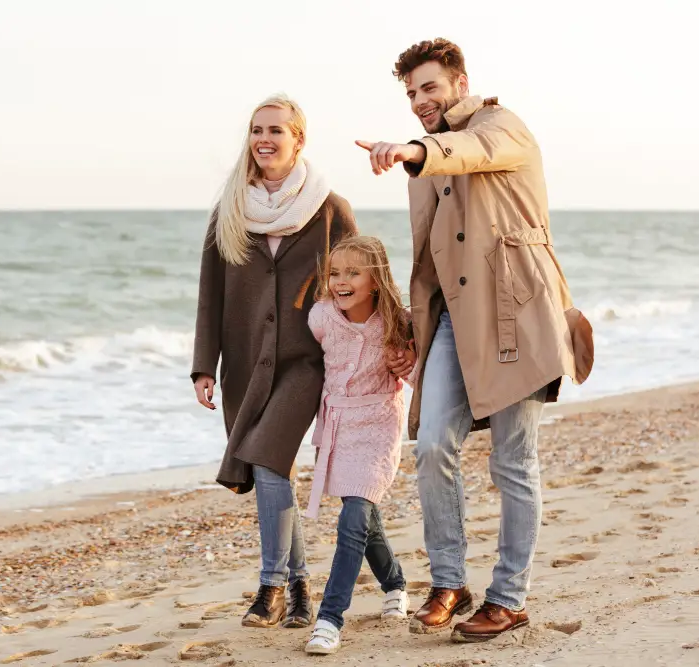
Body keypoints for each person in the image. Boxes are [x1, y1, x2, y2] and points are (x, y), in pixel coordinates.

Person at [356, 38, 594, 642]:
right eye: (410, 93)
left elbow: (471, 149)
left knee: (514, 462)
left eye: (429, 88)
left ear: (460, 83)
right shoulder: (425, 163)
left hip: (517, 316)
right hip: (454, 325)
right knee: (432, 444)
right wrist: (413, 325)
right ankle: (450, 580)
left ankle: (510, 597)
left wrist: (416, 149)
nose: (419, 101)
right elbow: (431, 259)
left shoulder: (502, 126)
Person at [191, 95, 358, 630]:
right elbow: (210, 294)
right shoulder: (230, 209)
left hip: (306, 364)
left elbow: (362, 283)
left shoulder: (331, 208)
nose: (264, 139)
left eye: (276, 130)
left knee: (266, 460)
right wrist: (202, 366)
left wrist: (373, 357)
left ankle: (270, 588)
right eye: (256, 129)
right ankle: (302, 584)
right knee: (274, 474)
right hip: (244, 365)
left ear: (298, 139)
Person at [301, 236, 415, 655]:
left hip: (380, 426)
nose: (340, 281)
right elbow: (298, 361)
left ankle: (329, 619)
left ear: (376, 280)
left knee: (353, 518)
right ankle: (395, 583)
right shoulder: (322, 318)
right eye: (334, 273)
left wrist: (409, 364)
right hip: (339, 428)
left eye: (353, 273)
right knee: (363, 518)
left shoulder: (398, 323)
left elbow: (423, 376)